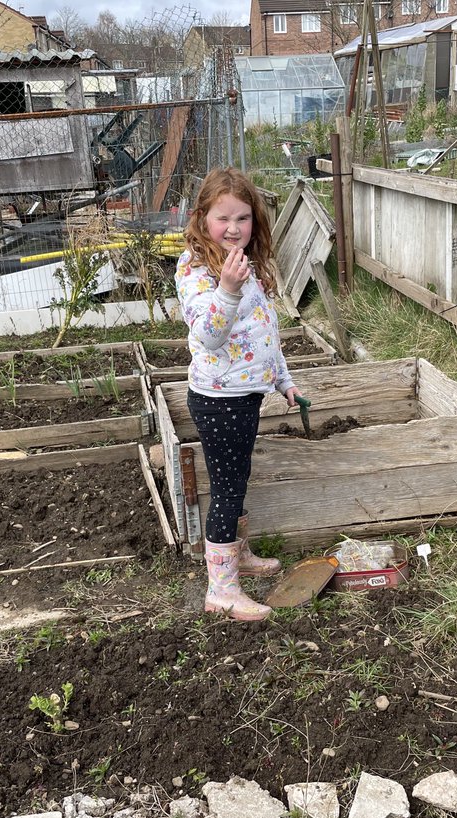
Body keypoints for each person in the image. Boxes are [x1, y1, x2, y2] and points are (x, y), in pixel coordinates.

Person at [175, 168, 303, 622]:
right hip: (218, 399)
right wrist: (227, 289)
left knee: (237, 479)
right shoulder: (195, 269)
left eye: (244, 218)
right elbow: (209, 336)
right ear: (201, 218)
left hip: (246, 394)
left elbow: (266, 333)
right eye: (223, 218)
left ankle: (239, 555)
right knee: (227, 490)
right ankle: (221, 588)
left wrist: (284, 380)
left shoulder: (249, 266)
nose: (233, 229)